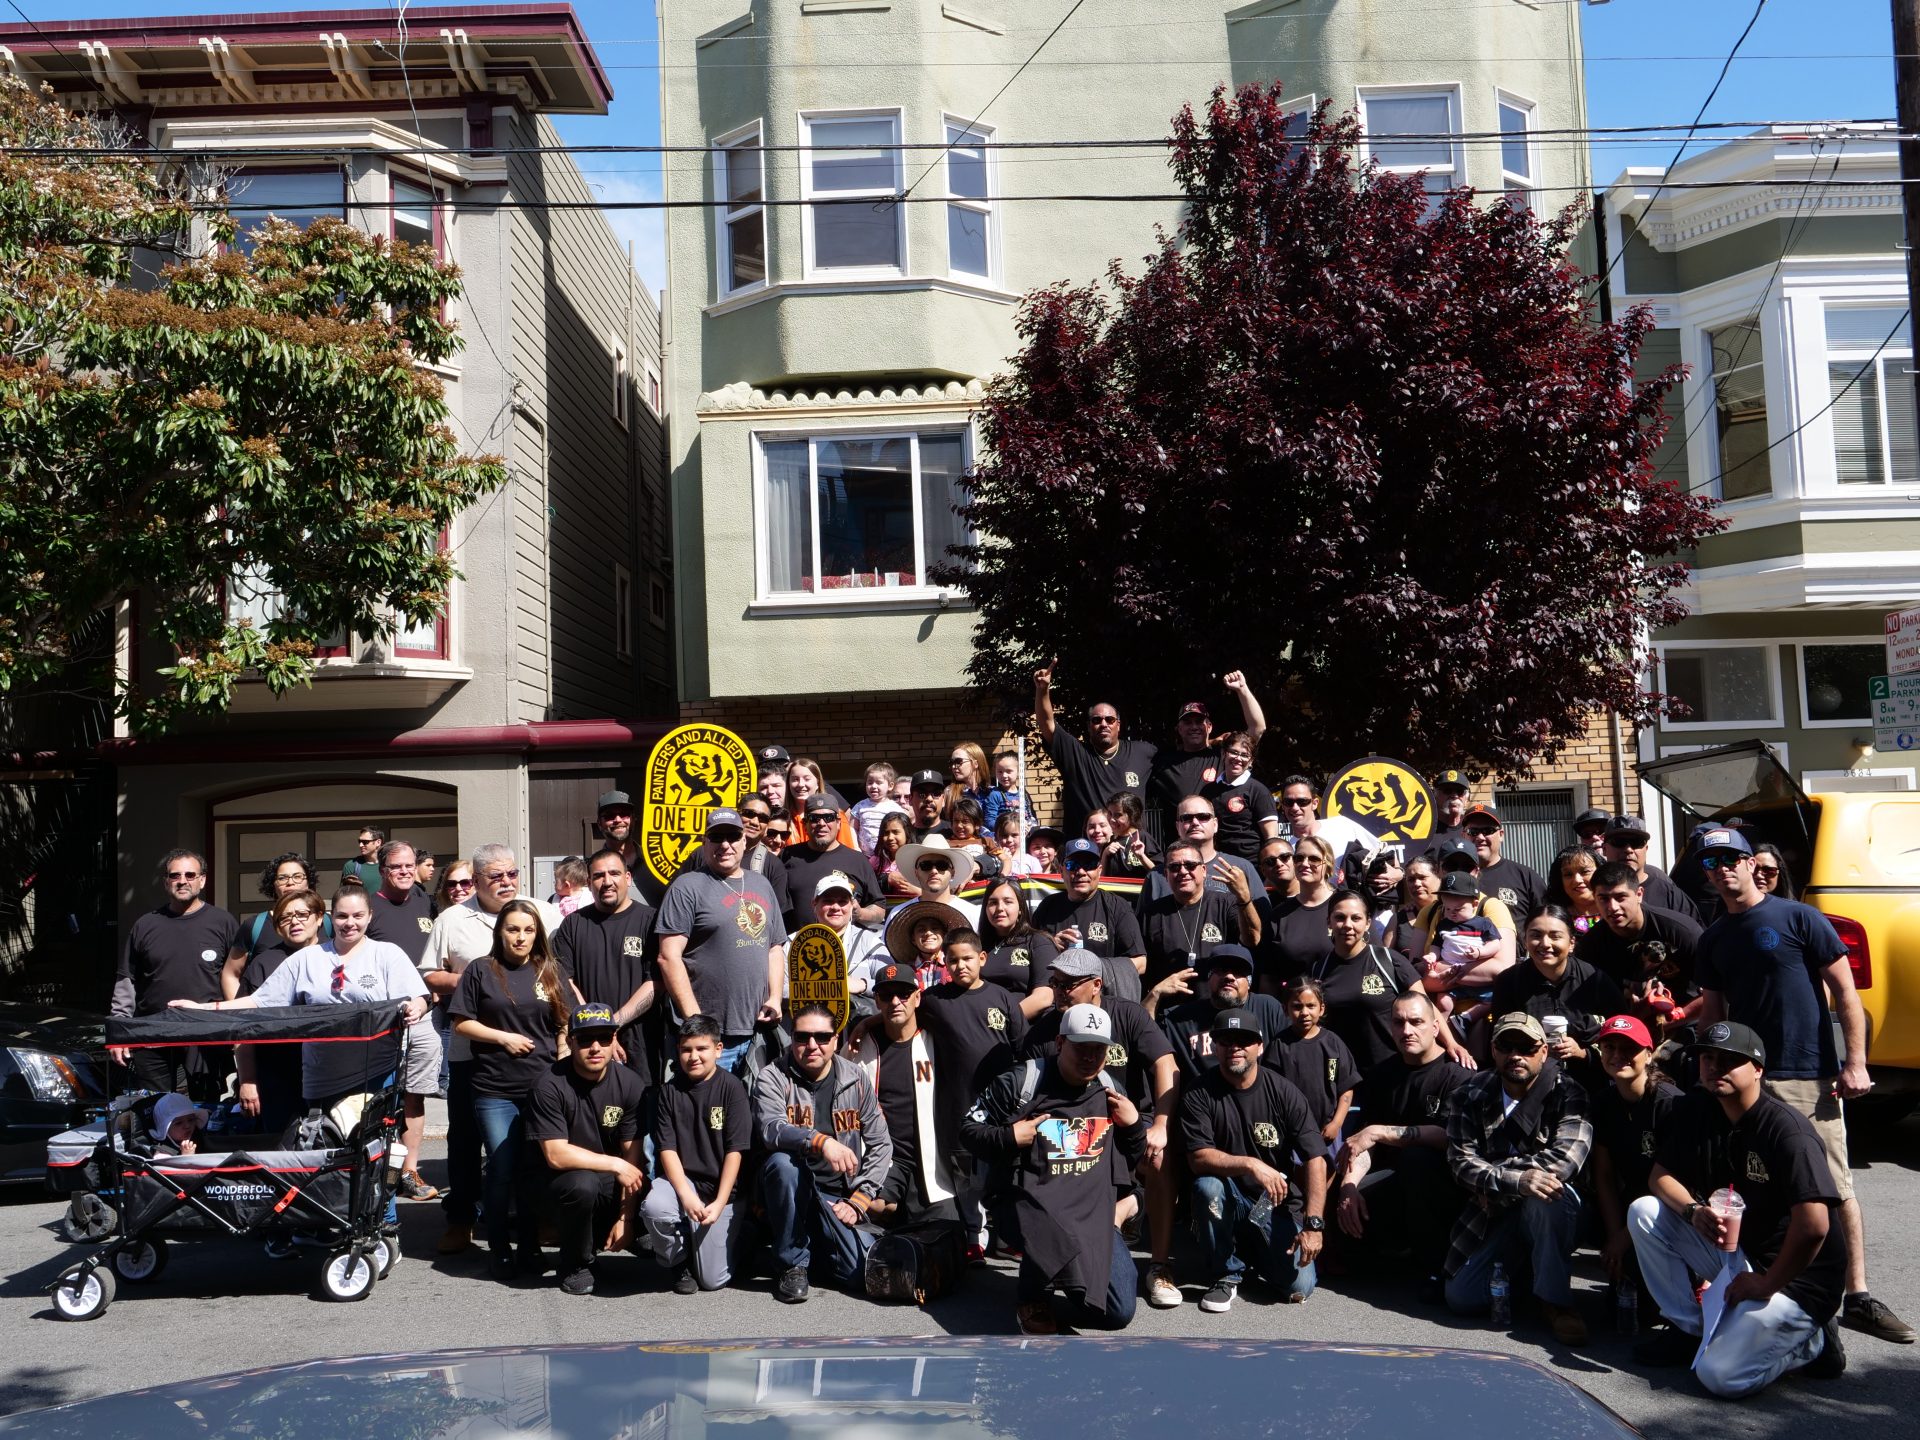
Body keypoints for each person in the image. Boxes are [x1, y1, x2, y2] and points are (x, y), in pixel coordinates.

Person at [1692, 825, 1912, 1344]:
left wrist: (1854, 1062)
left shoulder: (1798, 918)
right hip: (1748, 1083)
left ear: (1752, 864)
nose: (1723, 869)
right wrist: (1710, 1072)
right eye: (1711, 863)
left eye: (1731, 859)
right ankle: (1788, 1292)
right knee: (1756, 1189)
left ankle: (1854, 1296)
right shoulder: (1715, 938)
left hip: (1809, 1075)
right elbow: (1715, 1014)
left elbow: (1845, 992)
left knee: (1832, 1188)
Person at [1630, 1020, 1850, 1394]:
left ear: (1758, 1069)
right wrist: (1693, 1212)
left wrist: (1767, 1283)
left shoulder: (1787, 1131)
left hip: (1797, 1280)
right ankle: (1690, 1329)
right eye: (1707, 1058)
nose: (1715, 1067)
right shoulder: (1702, 1110)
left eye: (1730, 1060)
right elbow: (1659, 1178)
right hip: (1741, 1253)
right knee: (1645, 1211)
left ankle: (1813, 1345)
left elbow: (1814, 1226)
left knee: (1720, 1376)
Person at [964, 1002, 1148, 1335]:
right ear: (1061, 1043)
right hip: (1028, 1205)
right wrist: (1010, 1136)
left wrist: (1134, 1125)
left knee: (1118, 1312)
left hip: (1090, 1212)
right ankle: (1033, 1298)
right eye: (1081, 1047)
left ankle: (1096, 1245)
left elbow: (1132, 1157)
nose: (1090, 1056)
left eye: (1099, 1049)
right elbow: (968, 1130)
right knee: (1047, 1231)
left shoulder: (1110, 1088)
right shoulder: (1022, 1081)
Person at [420, 845, 562, 1256]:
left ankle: (540, 1217)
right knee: (464, 1140)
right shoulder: (452, 918)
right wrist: (468, 982)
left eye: (511, 874)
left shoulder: (542, 912)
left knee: (538, 1142)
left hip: (535, 1055)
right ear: (477, 880)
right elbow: (428, 973)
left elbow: (556, 971)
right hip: (473, 1055)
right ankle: (460, 1219)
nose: (505, 882)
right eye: (495, 876)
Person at [1017, 948, 1179, 1308]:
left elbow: (1166, 1063)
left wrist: (1162, 1124)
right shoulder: (1046, 1031)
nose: (1058, 991)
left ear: (1096, 985)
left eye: (1068, 984)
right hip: (1075, 1134)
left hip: (1128, 1124)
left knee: (1158, 1158)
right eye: (1054, 982)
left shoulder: (1127, 1014)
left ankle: (1159, 1267)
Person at [450, 898, 582, 1280]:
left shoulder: (549, 970)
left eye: (528, 930)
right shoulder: (481, 970)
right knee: (502, 1167)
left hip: (542, 1088)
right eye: (513, 929)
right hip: (494, 1089)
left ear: (537, 934)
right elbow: (461, 1023)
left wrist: (561, 1048)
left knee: (532, 1169)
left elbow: (565, 1020)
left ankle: (529, 1244)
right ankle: (500, 1248)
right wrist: (503, 1038)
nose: (520, 937)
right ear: (500, 933)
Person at [1442, 1012, 1593, 1345]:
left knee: (1548, 1193)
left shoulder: (1569, 1093)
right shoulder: (1468, 1093)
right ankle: (1531, 1276)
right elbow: (1460, 1163)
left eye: (1526, 1047)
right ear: (1493, 1050)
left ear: (1544, 1051)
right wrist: (1518, 1181)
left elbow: (1564, 1162)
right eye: (1506, 1046)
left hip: (1553, 1210)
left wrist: (1496, 1178)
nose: (1515, 1056)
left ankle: (1556, 1303)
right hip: (1495, 1215)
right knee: (1462, 1298)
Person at [1182, 1007, 1330, 1312]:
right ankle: (1226, 1272)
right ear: (1215, 1046)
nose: (1235, 1047)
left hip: (1274, 1205)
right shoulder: (1199, 1092)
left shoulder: (1285, 1092)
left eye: (1244, 1040)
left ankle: (1251, 1252)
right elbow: (1198, 1157)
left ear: (1259, 1047)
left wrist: (1314, 1226)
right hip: (1229, 1199)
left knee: (1299, 1286)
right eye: (1226, 1040)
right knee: (1206, 1186)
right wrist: (1251, 1163)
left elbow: (1316, 1159)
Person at [753, 1002, 891, 1304]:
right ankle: (791, 1264)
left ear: (836, 1039)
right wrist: (820, 1141)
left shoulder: (856, 1077)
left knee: (858, 1275)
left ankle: (808, 1241)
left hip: (837, 1196)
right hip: (791, 1187)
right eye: (802, 1037)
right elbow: (771, 1129)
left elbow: (882, 1143)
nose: (812, 1045)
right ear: (792, 1038)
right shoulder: (772, 1076)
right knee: (783, 1164)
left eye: (822, 1037)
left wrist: (860, 1200)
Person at [1335, 992, 1473, 1293]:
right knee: (1341, 1188)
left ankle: (1436, 1269)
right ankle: (1384, 1251)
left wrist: (1379, 1131)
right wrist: (1349, 1187)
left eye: (1416, 1022)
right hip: (1395, 1182)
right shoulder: (1383, 1073)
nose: (1407, 1030)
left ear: (1436, 1027)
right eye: (1399, 1023)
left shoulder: (1457, 1075)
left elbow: (1449, 1136)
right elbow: (1361, 1143)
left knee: (1417, 1159)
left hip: (1447, 1187)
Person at [916, 929, 1029, 1254]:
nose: (960, 965)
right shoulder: (935, 1000)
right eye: (953, 960)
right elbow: (903, 1015)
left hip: (1001, 1108)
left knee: (1003, 1173)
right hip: (957, 1105)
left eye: (967, 958)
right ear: (944, 962)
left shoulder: (1003, 998)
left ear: (982, 958)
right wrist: (867, 1024)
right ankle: (972, 1236)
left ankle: (1007, 1236)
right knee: (964, 1174)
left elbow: (1023, 1048)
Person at [653, 809, 788, 1078]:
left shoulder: (761, 884)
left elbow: (774, 947)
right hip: (710, 1040)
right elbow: (668, 957)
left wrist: (774, 997)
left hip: (758, 1030)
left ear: (744, 840)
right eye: (716, 837)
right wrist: (696, 1022)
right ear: (705, 843)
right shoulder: (687, 886)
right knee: (708, 1115)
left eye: (732, 836)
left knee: (756, 1114)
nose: (725, 844)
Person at [525, 1002, 647, 1297]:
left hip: (603, 1179)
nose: (595, 1047)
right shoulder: (549, 1085)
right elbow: (556, 1154)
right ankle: (575, 1263)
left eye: (604, 1038)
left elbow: (632, 1154)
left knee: (650, 1217)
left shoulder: (630, 1083)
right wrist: (616, 1165)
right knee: (583, 1184)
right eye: (585, 1039)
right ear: (570, 1042)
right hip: (555, 1183)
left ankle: (614, 1237)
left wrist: (625, 1218)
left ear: (614, 1040)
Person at [109, 849, 240, 1104]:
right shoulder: (146, 925)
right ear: (166, 882)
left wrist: (239, 1028)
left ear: (202, 880)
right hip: (153, 1037)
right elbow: (127, 981)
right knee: (156, 1109)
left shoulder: (223, 922)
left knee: (208, 1110)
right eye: (175, 875)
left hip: (206, 1036)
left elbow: (235, 979)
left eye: (190, 874)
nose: (183, 880)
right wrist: (119, 1031)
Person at [644, 1015, 751, 1292]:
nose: (693, 1056)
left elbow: (735, 1151)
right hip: (685, 1183)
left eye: (701, 1048)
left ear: (718, 1050)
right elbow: (667, 1148)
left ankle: (739, 1237)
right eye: (686, 1049)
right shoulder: (669, 1092)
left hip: (721, 1191)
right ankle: (678, 1262)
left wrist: (718, 1202)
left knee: (712, 1280)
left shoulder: (732, 1088)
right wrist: (686, 1195)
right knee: (655, 1206)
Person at [847, 966, 957, 1225]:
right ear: (877, 1001)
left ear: (917, 998)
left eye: (904, 994)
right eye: (886, 996)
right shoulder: (861, 1046)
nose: (895, 1001)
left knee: (945, 1232)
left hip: (932, 1157)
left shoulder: (937, 1040)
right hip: (885, 1155)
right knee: (875, 1207)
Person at [364, 839, 440, 1201]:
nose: (405, 871)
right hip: (380, 1021)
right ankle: (375, 1169)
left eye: (410, 864)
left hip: (422, 1016)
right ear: (383, 871)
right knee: (376, 1098)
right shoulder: (367, 909)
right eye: (396, 866)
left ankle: (408, 1171)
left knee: (415, 1096)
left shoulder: (426, 902)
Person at [1588, 1014, 1682, 1299]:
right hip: (1629, 1205)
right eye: (1609, 1047)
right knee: (1622, 1302)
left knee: (1647, 1304)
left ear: (1649, 1053)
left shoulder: (1670, 1103)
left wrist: (1622, 1239)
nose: (1618, 1055)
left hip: (1670, 1210)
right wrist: (1614, 1235)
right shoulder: (1604, 1102)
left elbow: (1675, 1184)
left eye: (1629, 1048)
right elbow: (1603, 1176)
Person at [552, 848, 657, 1083]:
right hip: (588, 1046)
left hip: (639, 1046)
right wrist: (596, 1029)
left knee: (639, 1114)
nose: (607, 882)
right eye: (599, 876)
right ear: (589, 882)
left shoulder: (651, 921)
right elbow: (564, 981)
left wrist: (611, 1025)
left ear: (628, 878)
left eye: (614, 873)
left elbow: (655, 983)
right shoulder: (573, 925)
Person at [231, 888, 325, 1134]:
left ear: (319, 917)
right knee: (280, 1152)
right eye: (285, 917)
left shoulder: (336, 957)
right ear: (277, 927)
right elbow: (243, 1028)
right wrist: (248, 1081)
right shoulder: (263, 963)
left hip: (329, 1075)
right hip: (276, 1076)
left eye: (303, 914)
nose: (295, 921)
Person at [1577, 861, 1705, 1039]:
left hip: (1684, 1024)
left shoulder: (1681, 931)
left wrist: (1674, 1017)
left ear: (1639, 894)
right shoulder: (1591, 945)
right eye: (1603, 898)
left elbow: (1718, 992)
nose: (1612, 907)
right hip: (1623, 1031)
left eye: (1621, 897)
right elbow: (1587, 1005)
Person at [1488, 906, 1628, 1067]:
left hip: (1589, 1074)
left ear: (1571, 943)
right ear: (1525, 940)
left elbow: (1622, 1031)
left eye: (1555, 936)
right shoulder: (1509, 982)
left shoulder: (1595, 979)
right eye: (1536, 935)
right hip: (1529, 1075)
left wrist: (1583, 1053)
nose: (1545, 944)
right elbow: (1500, 1039)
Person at [1032, 662, 1159, 833]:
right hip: (1085, 851)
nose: (1103, 724)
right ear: (1089, 726)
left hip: (1132, 850)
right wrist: (1043, 690)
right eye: (1096, 720)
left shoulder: (1143, 752)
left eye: (1110, 719)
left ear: (1119, 725)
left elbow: (1178, 761)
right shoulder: (1076, 754)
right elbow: (1047, 723)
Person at [1309, 890, 1428, 1072]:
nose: (1347, 925)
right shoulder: (1319, 970)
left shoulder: (1387, 960)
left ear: (1367, 923)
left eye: (1356, 918)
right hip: (1343, 1074)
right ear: (1329, 922)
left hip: (1393, 1070)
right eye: (1340, 917)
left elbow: (1425, 1008)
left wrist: (1451, 1044)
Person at [1031, 839, 1145, 1003]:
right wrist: (1049, 946)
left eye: (1089, 864)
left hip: (1103, 1003)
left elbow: (1141, 963)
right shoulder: (1047, 907)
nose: (1081, 872)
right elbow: (1029, 956)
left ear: (1099, 870)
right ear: (1062, 870)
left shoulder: (1117, 907)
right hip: (1057, 1003)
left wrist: (1088, 968)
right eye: (1072, 865)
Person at [1153, 944, 1289, 1080]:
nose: (1229, 976)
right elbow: (1141, 1036)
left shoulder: (1268, 1008)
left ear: (1250, 981)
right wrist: (1154, 994)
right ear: (1209, 978)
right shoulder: (1182, 1018)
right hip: (1203, 1098)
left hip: (1257, 1096)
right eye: (1221, 970)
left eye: (1238, 971)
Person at [1148, 674, 1268, 824]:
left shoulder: (1223, 754)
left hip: (1218, 842)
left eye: (1199, 722)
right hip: (1179, 845)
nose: (1194, 727)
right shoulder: (1164, 762)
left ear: (1209, 727)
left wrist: (1242, 690)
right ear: (1179, 728)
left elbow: (1257, 729)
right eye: (1187, 722)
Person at [1139, 840, 1253, 992]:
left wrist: (1244, 898)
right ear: (1166, 875)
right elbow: (1141, 965)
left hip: (1217, 1005)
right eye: (1174, 867)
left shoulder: (1226, 904)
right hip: (1169, 1009)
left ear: (1204, 870)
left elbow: (1252, 939)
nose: (1183, 871)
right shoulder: (1150, 913)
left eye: (1190, 865)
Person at [222, 852, 330, 996]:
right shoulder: (254, 926)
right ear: (273, 885)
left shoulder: (328, 922)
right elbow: (231, 974)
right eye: (282, 878)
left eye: (297, 876)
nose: (290, 882)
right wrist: (240, 1012)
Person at [1268, 978, 1358, 1143]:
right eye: (1297, 1006)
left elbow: (1346, 1088)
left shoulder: (1333, 1044)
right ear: (1285, 1010)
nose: (1304, 1012)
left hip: (1327, 1130)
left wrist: (1337, 1123)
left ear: (1321, 1008)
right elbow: (1270, 1091)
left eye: (1311, 1006)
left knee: (1328, 1167)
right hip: (1290, 1133)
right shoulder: (1278, 1046)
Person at [780, 797, 884, 930]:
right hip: (797, 946)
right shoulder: (788, 856)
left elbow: (879, 909)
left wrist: (860, 913)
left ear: (839, 823)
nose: (821, 823)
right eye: (814, 818)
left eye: (828, 817)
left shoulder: (858, 860)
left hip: (844, 948)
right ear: (805, 823)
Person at [976, 874, 1058, 1020]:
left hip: (1021, 1031)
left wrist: (1002, 1022)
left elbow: (1043, 997)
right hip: (980, 1028)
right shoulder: (977, 945)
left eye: (1008, 902)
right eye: (993, 902)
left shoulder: (1038, 942)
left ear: (1020, 908)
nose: (1000, 908)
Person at [1260, 835, 1337, 988]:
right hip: (1296, 1007)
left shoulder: (1347, 905)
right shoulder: (1279, 916)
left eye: (1314, 859)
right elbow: (1268, 977)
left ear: (1327, 865)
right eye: (1299, 858)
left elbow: (1368, 958)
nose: (1305, 864)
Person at [1274, 774, 1375, 884]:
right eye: (1289, 802)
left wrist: (1396, 871)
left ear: (1314, 803)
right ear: (1283, 806)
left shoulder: (1342, 825)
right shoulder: (1286, 852)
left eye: (1302, 801)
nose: (1295, 808)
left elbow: (1381, 850)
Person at [1202, 731, 1280, 862]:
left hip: (1251, 865)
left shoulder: (1258, 791)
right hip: (1217, 863)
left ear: (1251, 761)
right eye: (1234, 752)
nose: (1238, 758)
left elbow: (1271, 838)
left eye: (1245, 755)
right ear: (1223, 754)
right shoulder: (1209, 790)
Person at [1602, 815, 1700, 920]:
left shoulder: (1670, 894)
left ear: (1646, 849)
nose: (1628, 849)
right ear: (1604, 849)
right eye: (1619, 842)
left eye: (1637, 842)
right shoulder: (1592, 891)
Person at [1461, 805, 1546, 925]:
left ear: (1501, 835)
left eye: (1487, 831)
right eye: (1473, 832)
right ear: (1463, 835)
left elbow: (1545, 922)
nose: (1480, 837)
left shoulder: (1525, 877)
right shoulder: (1453, 876)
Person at [812, 874, 890, 995]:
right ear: (814, 904)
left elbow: (891, 984)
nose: (836, 907)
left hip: (861, 1014)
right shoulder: (795, 942)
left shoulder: (870, 942)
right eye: (828, 901)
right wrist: (815, 988)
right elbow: (777, 990)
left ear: (852, 905)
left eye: (842, 902)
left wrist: (863, 985)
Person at [892, 834, 979, 924]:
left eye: (942, 865)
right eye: (926, 865)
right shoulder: (898, 915)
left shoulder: (972, 914)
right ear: (916, 873)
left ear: (953, 872)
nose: (934, 871)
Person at [1384, 856, 1442, 966]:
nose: (1416, 884)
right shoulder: (1398, 919)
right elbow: (1384, 961)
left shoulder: (1453, 913)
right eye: (1411, 880)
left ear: (1439, 877)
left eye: (1422, 877)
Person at [850, 762, 908, 858]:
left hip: (887, 856)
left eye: (879, 782)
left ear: (890, 786)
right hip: (864, 856)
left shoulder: (895, 808)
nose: (873, 786)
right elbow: (852, 828)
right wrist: (855, 847)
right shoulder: (860, 806)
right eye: (870, 782)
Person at [1100, 792, 1159, 881]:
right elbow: (1101, 879)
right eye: (1110, 813)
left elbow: (1160, 874)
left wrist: (1141, 856)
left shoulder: (1143, 838)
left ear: (1132, 815)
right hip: (1112, 894)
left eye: (1118, 815)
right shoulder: (1110, 841)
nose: (1112, 819)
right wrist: (1105, 854)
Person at [1544, 845, 1603, 934]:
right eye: (1568, 874)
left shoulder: (1617, 910)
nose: (1577, 880)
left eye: (1585, 872)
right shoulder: (1551, 918)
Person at [983, 749, 1038, 834]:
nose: (1004, 775)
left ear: (1019, 771)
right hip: (1006, 836)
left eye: (1008, 771)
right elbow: (989, 821)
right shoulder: (995, 794)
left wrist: (1032, 827)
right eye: (1000, 772)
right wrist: (1010, 828)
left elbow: (1031, 816)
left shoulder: (1023, 793)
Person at [872, 812, 915, 900]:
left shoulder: (916, 860)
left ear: (907, 833)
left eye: (895, 832)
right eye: (886, 833)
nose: (890, 837)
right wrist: (887, 878)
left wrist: (920, 892)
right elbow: (866, 884)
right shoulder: (876, 861)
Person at [594, 791, 639, 872]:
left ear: (633, 819)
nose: (618, 820)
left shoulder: (654, 862)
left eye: (624, 814)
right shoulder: (592, 868)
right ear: (599, 824)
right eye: (609, 815)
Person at [945, 741, 991, 819]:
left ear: (975, 764)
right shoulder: (949, 792)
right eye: (951, 762)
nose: (953, 766)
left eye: (958, 762)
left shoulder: (992, 792)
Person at [905, 769, 950, 842]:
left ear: (943, 800)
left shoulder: (955, 832)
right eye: (922, 794)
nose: (929, 799)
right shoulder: (904, 836)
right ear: (910, 799)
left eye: (936, 794)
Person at [340, 826, 384, 890]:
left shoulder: (390, 865)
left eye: (365, 842)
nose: (360, 845)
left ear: (378, 842)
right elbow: (342, 896)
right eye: (359, 841)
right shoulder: (352, 866)